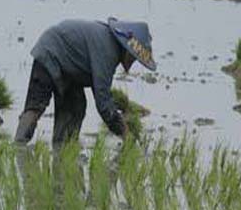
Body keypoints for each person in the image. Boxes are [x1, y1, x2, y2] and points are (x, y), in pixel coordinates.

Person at [14, 18, 157, 145]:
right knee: (36, 106)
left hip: (70, 70)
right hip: (50, 52)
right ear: (126, 48)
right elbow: (103, 102)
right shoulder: (108, 52)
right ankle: (18, 147)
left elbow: (100, 92)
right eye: (133, 57)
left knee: (76, 108)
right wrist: (126, 134)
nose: (132, 62)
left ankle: (62, 150)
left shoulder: (108, 45)